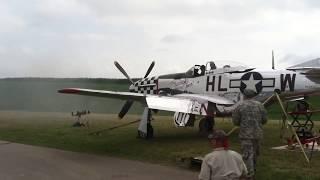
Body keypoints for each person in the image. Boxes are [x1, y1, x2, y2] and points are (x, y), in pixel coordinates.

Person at [232, 89, 268, 178]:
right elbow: (264, 120)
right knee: (255, 154)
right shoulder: (260, 105)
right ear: (253, 96)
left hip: (245, 135)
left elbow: (235, 121)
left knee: (247, 155)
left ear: (244, 96)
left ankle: (249, 175)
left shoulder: (239, 106)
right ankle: (253, 170)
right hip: (257, 134)